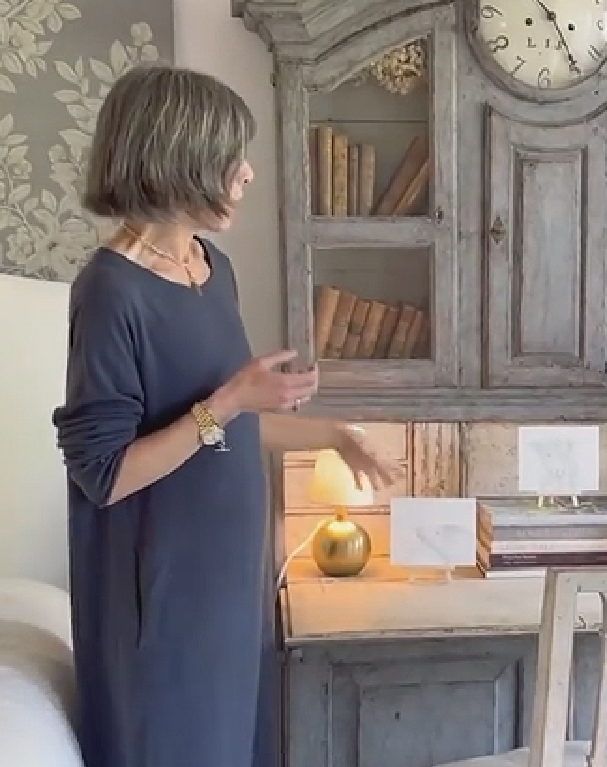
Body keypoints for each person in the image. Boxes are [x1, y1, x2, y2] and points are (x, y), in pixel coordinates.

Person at [52, 64, 395, 767]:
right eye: (229, 158)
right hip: (161, 605)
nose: (245, 174)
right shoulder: (109, 291)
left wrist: (332, 436)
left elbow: (224, 433)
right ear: (178, 158)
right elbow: (107, 475)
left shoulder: (214, 267)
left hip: (232, 590)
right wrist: (230, 400)